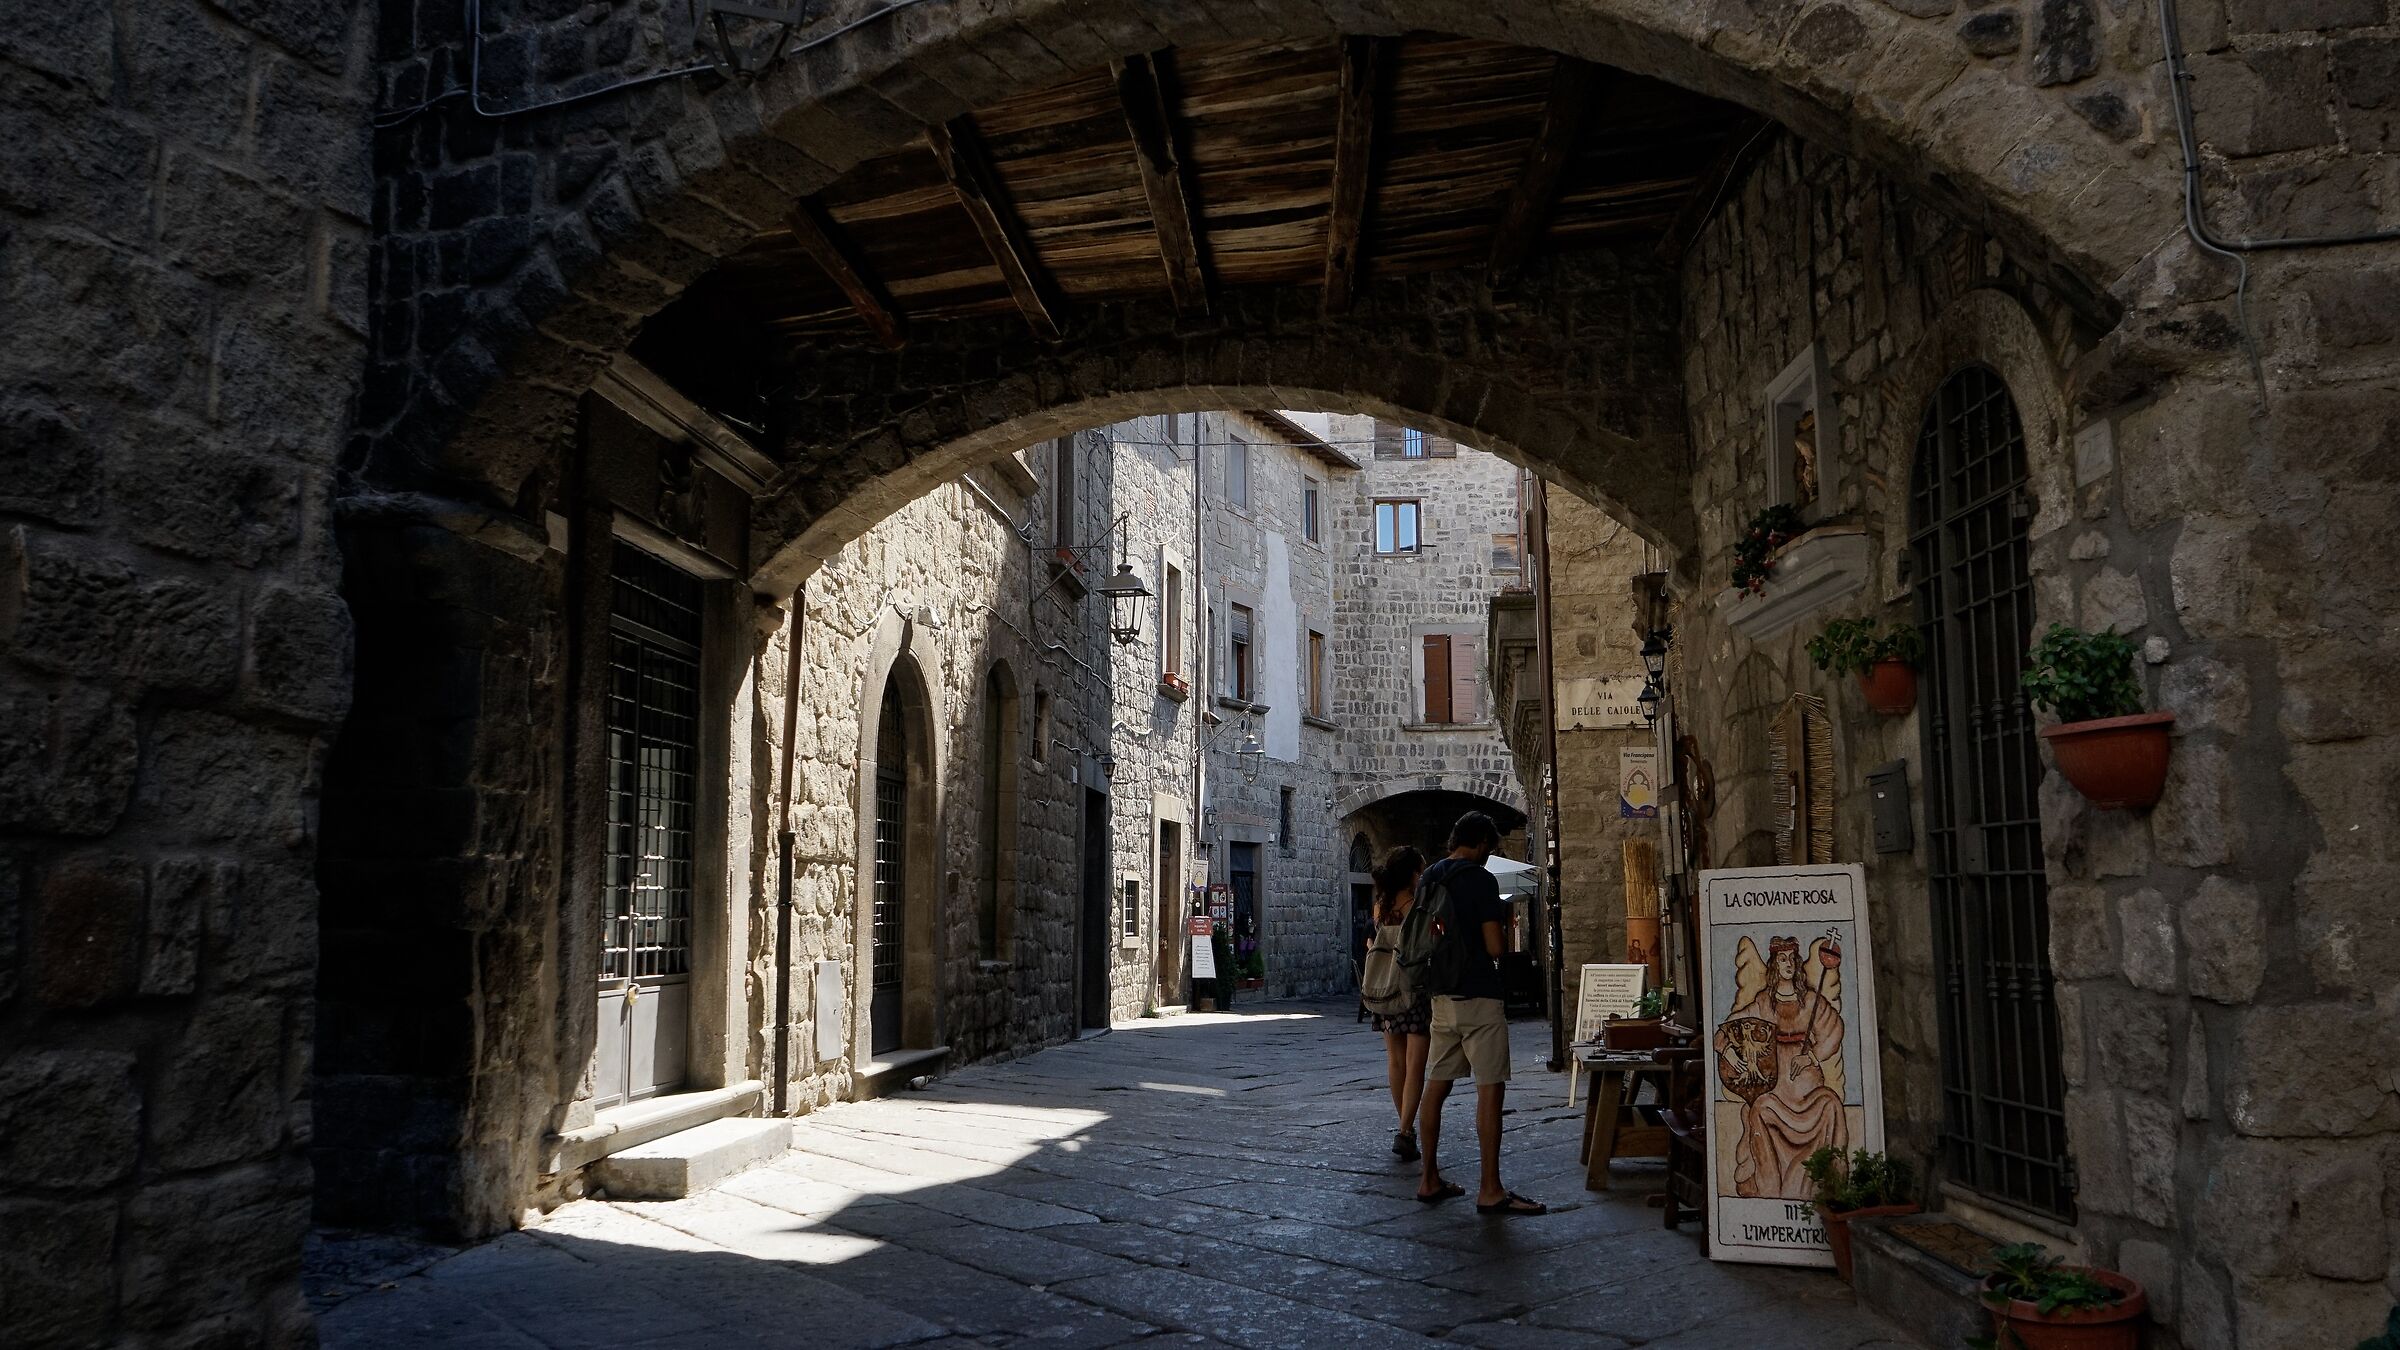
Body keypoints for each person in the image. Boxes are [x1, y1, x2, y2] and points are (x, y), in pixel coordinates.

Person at [1415, 812, 1545, 1216]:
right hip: (1479, 996)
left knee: (1435, 1087)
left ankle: (1428, 1177)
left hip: (1441, 996)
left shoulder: (1430, 877)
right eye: (1490, 848)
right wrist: (1502, 926)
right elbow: (1494, 948)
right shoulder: (1480, 879)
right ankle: (1490, 1188)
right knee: (1490, 1090)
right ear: (1482, 844)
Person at [1365, 846, 1429, 1162]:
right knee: (1416, 1064)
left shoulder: (1382, 906)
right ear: (1413, 875)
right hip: (1414, 990)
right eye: (1421, 870)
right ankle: (1405, 1131)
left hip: (1385, 991)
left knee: (1395, 1062)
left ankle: (1405, 1128)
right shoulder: (1417, 906)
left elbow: (1374, 941)